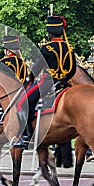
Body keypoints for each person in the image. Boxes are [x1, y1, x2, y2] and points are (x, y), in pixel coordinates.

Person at [14, 15, 76, 149]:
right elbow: (72, 69)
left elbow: (37, 67)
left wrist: (29, 78)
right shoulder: (69, 48)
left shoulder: (46, 48)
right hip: (64, 83)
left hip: (47, 82)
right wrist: (64, 78)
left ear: (50, 33)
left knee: (21, 103)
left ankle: (26, 136)